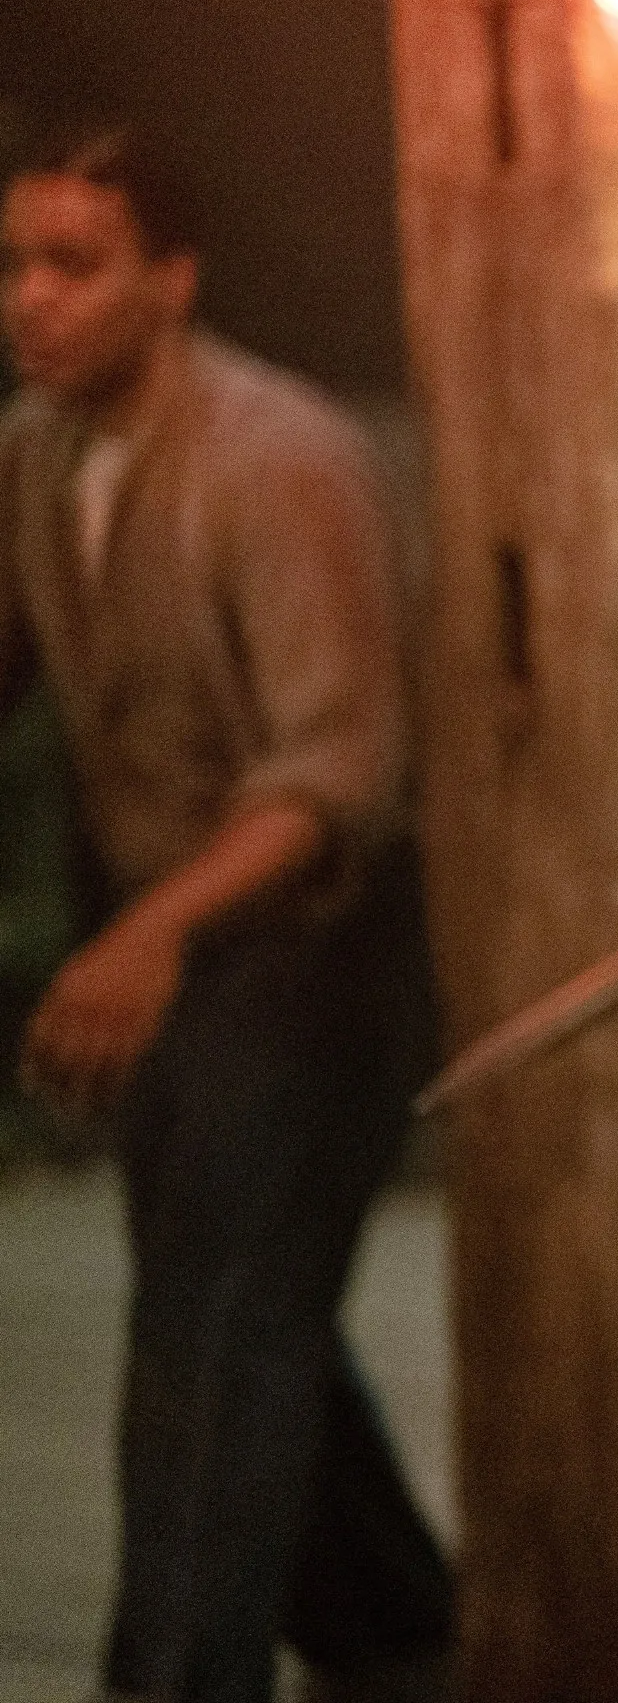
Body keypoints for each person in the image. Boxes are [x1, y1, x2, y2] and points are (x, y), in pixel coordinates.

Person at [0, 121, 454, 1703]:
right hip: (167, 936)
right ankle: (399, 1626)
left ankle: (174, 1682)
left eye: (75, 265)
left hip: (313, 949)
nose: (33, 301)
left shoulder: (281, 459)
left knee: (214, 1331)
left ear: (172, 280)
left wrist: (144, 938)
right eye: (15, 264)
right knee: (233, 1297)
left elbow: (343, 767)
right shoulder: (37, 452)